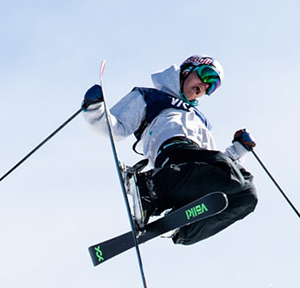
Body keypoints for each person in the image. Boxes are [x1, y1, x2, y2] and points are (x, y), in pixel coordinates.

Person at [79, 55, 258, 244]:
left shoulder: (201, 120)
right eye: (206, 76)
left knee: (247, 194)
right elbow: (115, 129)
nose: (205, 86)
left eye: (211, 86)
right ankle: (148, 187)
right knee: (227, 170)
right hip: (172, 152)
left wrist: (239, 150)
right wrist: (95, 109)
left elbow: (224, 171)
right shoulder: (151, 97)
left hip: (193, 167)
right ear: (187, 70)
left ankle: (180, 228)